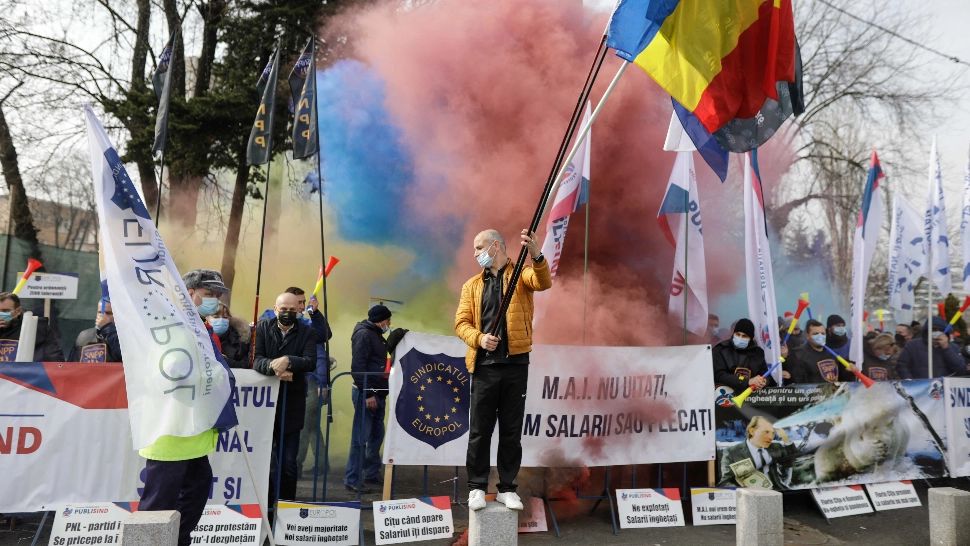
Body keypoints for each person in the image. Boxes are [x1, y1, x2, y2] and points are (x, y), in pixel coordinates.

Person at [138, 268, 237, 546]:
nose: (215, 300)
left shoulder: (199, 326)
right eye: (209, 294)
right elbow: (170, 369)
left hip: (192, 435)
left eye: (218, 295)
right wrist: (212, 375)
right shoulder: (170, 323)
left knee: (196, 490)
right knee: (158, 507)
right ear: (189, 293)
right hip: (171, 433)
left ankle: (179, 541)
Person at [455, 228, 552, 512]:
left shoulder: (521, 275)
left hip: (516, 365)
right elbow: (461, 323)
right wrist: (480, 338)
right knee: (479, 431)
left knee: (511, 431)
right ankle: (476, 487)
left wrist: (536, 254)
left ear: (495, 247)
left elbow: (543, 281)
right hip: (484, 367)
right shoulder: (471, 285)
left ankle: (507, 488)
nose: (475, 254)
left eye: (479, 247)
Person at [253, 291, 318, 508]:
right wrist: (274, 368)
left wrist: (288, 361)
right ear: (275, 308)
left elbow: (310, 362)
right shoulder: (263, 328)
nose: (288, 313)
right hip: (265, 406)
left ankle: (286, 506)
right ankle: (266, 505)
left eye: (292, 310)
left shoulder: (307, 332)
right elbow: (256, 360)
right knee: (266, 461)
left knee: (288, 463)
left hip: (292, 405)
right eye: (283, 309)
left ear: (298, 310)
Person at [344, 304, 392, 493]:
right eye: (388, 320)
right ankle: (352, 478)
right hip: (368, 393)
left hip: (378, 392)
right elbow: (358, 366)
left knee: (376, 435)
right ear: (381, 320)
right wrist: (369, 393)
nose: (389, 324)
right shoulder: (365, 335)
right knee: (360, 438)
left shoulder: (376, 335)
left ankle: (371, 474)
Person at [717, 415, 797, 488]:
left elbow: (792, 459)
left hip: (778, 491)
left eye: (773, 433)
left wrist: (785, 438)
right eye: (766, 432)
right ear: (752, 431)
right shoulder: (732, 452)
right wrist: (743, 491)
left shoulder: (776, 447)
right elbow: (725, 482)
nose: (770, 437)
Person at [787, 319, 856, 384]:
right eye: (816, 334)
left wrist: (849, 372)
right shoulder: (799, 355)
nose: (820, 336)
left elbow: (841, 379)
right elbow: (799, 384)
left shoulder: (831, 353)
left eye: (823, 334)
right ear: (807, 336)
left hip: (832, 394)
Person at [0, 292, 63, 361]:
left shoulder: (37, 329)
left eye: (5, 311)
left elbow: (55, 360)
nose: (1, 314)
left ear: (18, 311)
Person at [896, 317, 967, 379]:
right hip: (919, 389)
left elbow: (961, 369)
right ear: (926, 331)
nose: (935, 332)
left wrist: (946, 348)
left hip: (944, 389)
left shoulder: (953, 347)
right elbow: (902, 366)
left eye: (938, 330)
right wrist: (911, 382)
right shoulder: (913, 345)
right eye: (932, 330)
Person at [712, 318, 769, 392]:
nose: (740, 338)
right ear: (733, 333)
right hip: (725, 396)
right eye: (738, 334)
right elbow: (719, 375)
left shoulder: (758, 352)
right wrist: (747, 381)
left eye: (744, 336)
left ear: (751, 338)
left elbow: (765, 374)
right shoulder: (721, 349)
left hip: (751, 398)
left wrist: (764, 381)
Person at [69, 298, 122, 362]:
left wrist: (107, 328)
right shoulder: (86, 337)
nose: (103, 317)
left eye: (108, 313)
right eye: (100, 312)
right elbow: (71, 367)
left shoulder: (126, 340)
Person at [206, 303, 250, 369]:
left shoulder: (240, 338)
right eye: (216, 317)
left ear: (229, 319)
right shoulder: (200, 335)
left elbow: (246, 364)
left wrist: (224, 360)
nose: (221, 320)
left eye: (225, 317)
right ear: (207, 318)